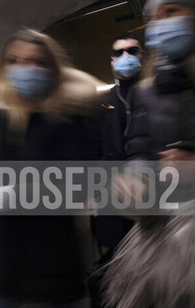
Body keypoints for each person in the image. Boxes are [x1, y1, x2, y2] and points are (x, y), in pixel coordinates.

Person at [0, 28, 103, 307]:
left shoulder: (69, 121)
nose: (27, 68)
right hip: (0, 274)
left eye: (38, 62)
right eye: (16, 61)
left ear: (52, 69)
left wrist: (5, 195)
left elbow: (74, 188)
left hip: (54, 278)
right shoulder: (1, 122)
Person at [103, 0, 195, 307]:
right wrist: (135, 181)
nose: (162, 23)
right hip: (161, 235)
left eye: (172, 12)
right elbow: (139, 150)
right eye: (155, 17)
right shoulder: (146, 92)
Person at [88, 34, 143, 308]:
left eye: (131, 50)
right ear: (111, 60)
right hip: (112, 196)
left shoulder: (152, 94)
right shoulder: (104, 102)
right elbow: (96, 150)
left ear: (140, 54)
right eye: (119, 52)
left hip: (150, 198)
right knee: (116, 261)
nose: (126, 57)